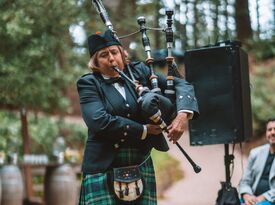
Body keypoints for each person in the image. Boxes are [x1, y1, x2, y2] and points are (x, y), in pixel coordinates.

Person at [76, 29, 199, 205]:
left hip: (140, 162)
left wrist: (182, 115)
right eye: (103, 55)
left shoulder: (139, 71)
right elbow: (99, 121)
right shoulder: (89, 83)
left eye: (114, 52)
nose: (111, 58)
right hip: (103, 166)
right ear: (95, 62)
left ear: (122, 53)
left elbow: (181, 85)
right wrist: (143, 130)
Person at [239, 118, 275, 205]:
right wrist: (246, 195)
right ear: (266, 133)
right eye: (269, 129)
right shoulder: (255, 153)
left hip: (271, 200)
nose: (273, 132)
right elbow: (245, 181)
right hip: (252, 197)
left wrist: (262, 198)